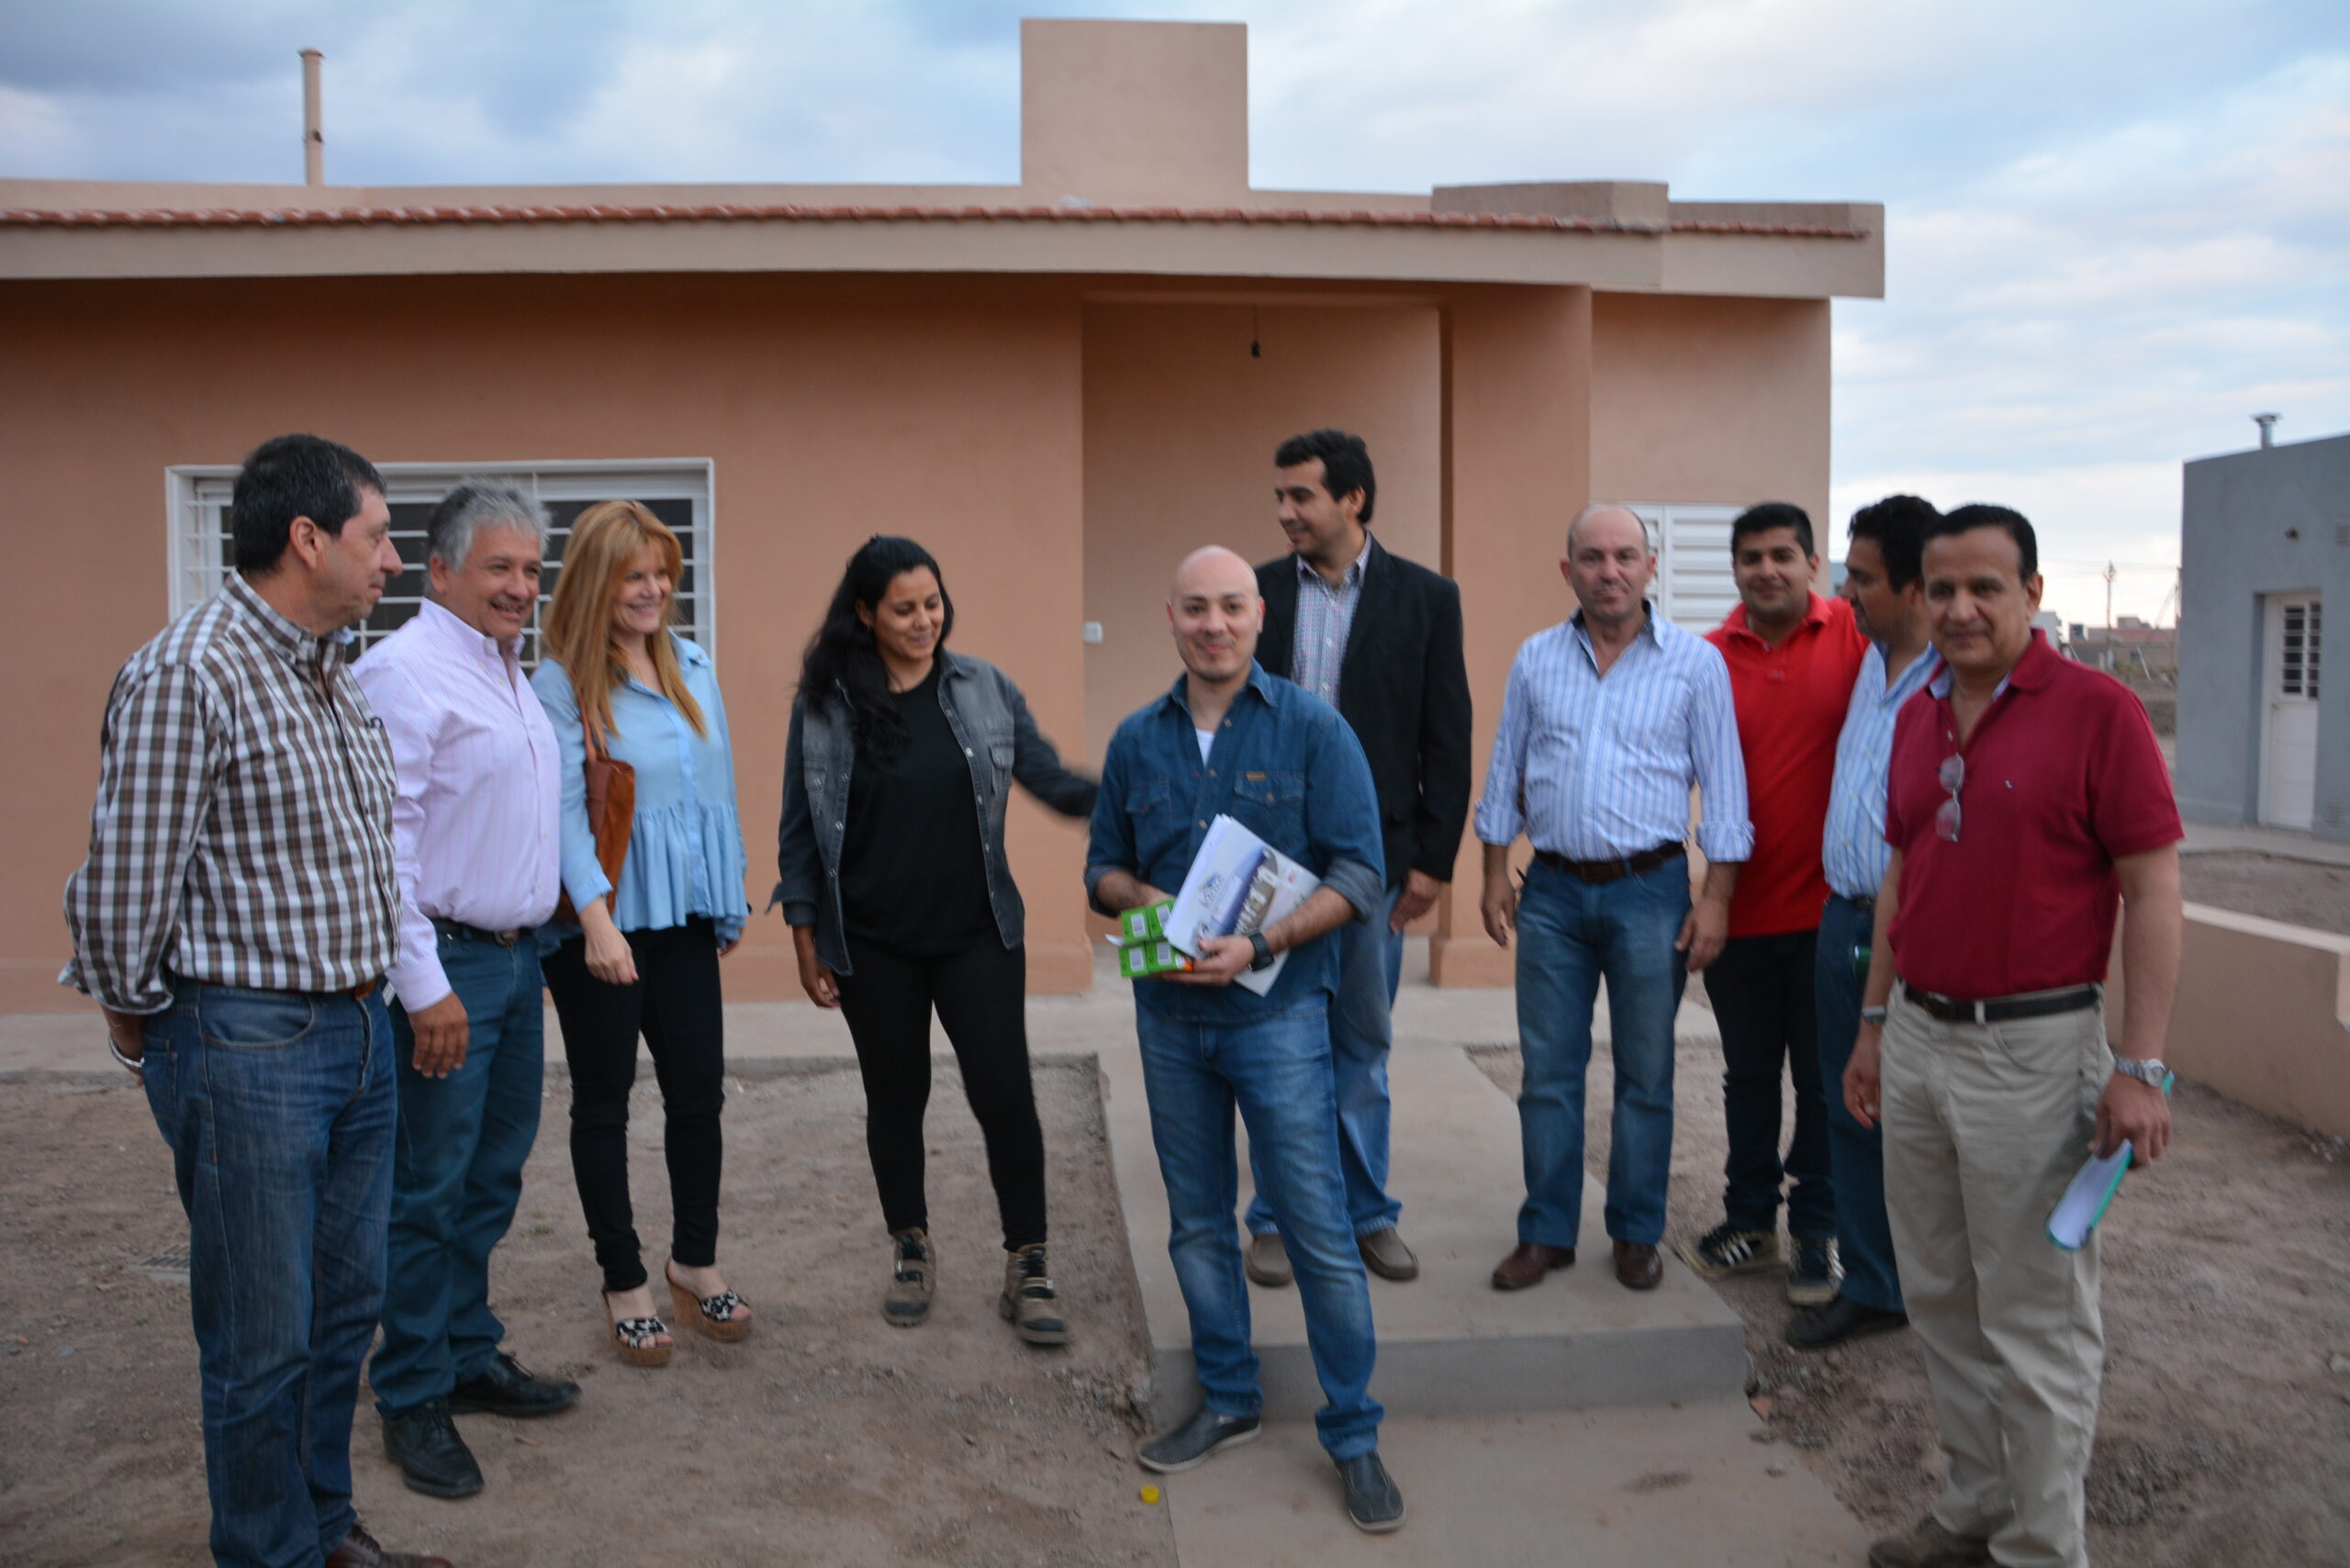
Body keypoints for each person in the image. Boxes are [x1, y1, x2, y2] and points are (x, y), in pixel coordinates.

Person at [61, 433, 451, 1568]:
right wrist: (146, 1020)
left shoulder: (328, 674)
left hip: (357, 1033)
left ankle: (323, 1532)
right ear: (308, 538)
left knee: (341, 1313)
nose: (392, 561)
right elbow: (126, 886)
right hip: (249, 1046)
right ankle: (268, 1551)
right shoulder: (193, 672)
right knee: (261, 1335)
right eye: (379, 538)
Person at [1845, 505, 2181, 1568]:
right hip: (1919, 1038)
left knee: (2034, 1317)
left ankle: (2041, 1546)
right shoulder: (1917, 713)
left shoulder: (2097, 711)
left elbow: (2152, 890)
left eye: (1985, 587)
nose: (1960, 608)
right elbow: (1902, 873)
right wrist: (1874, 1024)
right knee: (1940, 1295)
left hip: (2032, 1052)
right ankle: (1975, 1504)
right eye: (1941, 588)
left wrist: (2138, 1067)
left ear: (2032, 593)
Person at [1087, 546, 1405, 1534]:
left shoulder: (1314, 729)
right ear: (1170, 617)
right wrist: (1149, 898)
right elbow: (1101, 871)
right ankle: (1228, 1398)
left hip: (1278, 1018)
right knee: (1196, 1224)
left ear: (1259, 614)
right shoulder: (1137, 738)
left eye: (1230, 606)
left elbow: (1360, 873)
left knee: (1315, 1226)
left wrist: (1262, 941)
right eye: (1195, 608)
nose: (1213, 624)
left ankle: (1353, 1433)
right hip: (1170, 1022)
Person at [776, 536, 1097, 1342]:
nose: (925, 621)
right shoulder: (825, 705)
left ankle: (1028, 1261)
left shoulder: (984, 687)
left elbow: (1051, 780)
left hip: (977, 934)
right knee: (896, 1098)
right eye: (905, 609)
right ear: (865, 614)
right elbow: (801, 831)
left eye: (933, 603)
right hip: (873, 942)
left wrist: (1131, 791)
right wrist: (805, 937)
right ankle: (911, 1247)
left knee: (1005, 1095)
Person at [352, 483, 579, 1501]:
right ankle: (410, 1392)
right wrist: (423, 985)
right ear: (439, 570)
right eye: (500, 567)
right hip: (446, 969)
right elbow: (385, 847)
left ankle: (463, 1352)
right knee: (427, 1187)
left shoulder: (504, 668)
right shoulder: (403, 674)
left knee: (489, 1176)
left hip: (516, 961)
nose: (521, 586)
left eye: (532, 569)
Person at [1476, 503, 1751, 1294]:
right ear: (1569, 571)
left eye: (1626, 556)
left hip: (1651, 894)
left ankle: (1636, 1232)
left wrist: (1715, 900)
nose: (1610, 572)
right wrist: (1493, 875)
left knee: (1646, 1076)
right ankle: (1546, 1232)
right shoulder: (1536, 659)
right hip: (1553, 894)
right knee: (1547, 1074)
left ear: (1649, 567)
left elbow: (1726, 793)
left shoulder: (1695, 665)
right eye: (1593, 558)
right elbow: (1506, 770)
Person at [1241, 429, 1471, 1289]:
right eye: (1280, 496)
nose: (1285, 512)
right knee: (1273, 1042)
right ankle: (1275, 1218)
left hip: (1375, 862)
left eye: (1300, 495)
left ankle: (1366, 1212)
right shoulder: (1256, 594)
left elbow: (1446, 736)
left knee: (1362, 1043)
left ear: (1352, 499)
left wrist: (1434, 860)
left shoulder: (1427, 599)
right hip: (1270, 861)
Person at [532, 499, 754, 1366]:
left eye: (663, 573)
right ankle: (623, 1280)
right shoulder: (562, 684)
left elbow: (715, 790)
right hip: (604, 927)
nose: (654, 589)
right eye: (635, 575)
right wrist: (595, 922)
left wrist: (725, 893)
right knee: (605, 1102)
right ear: (596, 581)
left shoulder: (692, 664)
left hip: (684, 919)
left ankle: (693, 1260)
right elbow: (560, 812)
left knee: (699, 1093)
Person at [1682, 503, 1868, 1305]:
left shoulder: (1857, 639)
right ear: (1734, 569)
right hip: (1740, 912)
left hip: (1833, 916)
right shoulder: (1704, 659)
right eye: (1751, 557)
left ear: (1813, 564)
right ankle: (1750, 1221)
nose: (1766, 570)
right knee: (1750, 1078)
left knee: (1825, 1084)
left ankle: (1819, 1232)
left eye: (1782, 555)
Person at [1787, 495, 1940, 1352]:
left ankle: (1936, 1288)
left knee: (1923, 1117)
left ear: (1916, 587)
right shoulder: (1869, 666)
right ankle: (1876, 1283)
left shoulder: (1952, 684)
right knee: (1850, 1107)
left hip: (1910, 935)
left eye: (1865, 579)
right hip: (1841, 919)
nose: (1848, 593)